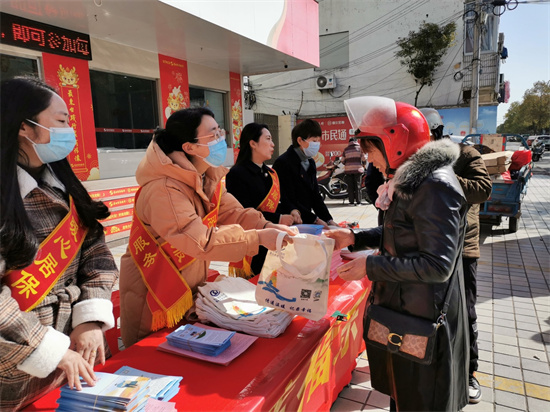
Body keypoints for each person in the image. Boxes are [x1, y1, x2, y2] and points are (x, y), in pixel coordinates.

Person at [326, 96, 469, 411]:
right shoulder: (412, 181)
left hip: (424, 318)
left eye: (370, 150)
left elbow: (437, 265)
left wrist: (372, 265)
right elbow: (400, 233)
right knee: (404, 396)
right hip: (408, 313)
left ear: (396, 141)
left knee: (420, 399)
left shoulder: (435, 187)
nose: (367, 159)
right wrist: (354, 237)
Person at [119, 108, 294, 348]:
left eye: (220, 131)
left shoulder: (204, 178)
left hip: (187, 285)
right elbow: (200, 240)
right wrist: (259, 237)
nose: (222, 139)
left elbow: (233, 213)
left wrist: (266, 225)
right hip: (154, 294)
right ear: (189, 147)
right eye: (213, 135)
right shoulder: (164, 188)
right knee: (153, 362)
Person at [0, 77, 119, 410]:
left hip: (83, 345)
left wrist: (90, 319)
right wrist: (47, 348)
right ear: (25, 127)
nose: (71, 131)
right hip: (19, 360)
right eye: (62, 121)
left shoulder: (62, 184)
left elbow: (96, 255)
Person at [420, 107, 492, 404]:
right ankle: (434, 366)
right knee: (431, 312)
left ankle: (470, 372)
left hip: (462, 250)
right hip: (428, 249)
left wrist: (443, 176)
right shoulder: (417, 160)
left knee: (466, 312)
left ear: (436, 133)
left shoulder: (465, 154)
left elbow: (483, 190)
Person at [226, 123, 296, 278]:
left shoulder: (269, 173)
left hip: (274, 242)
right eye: (268, 139)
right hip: (252, 246)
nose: (273, 144)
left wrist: (291, 211)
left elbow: (277, 202)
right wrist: (278, 218)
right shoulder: (237, 174)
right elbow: (241, 212)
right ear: (253, 143)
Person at [273, 119, 337, 228]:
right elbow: (287, 198)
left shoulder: (310, 162)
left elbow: (315, 196)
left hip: (307, 219)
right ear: (300, 140)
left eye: (318, 140)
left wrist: (328, 219)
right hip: (289, 220)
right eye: (313, 140)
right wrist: (315, 220)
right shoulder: (283, 163)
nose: (317, 144)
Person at [341, 137, 365, 205]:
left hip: (348, 170)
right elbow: (364, 159)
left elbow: (342, 160)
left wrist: (346, 163)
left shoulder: (346, 149)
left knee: (350, 186)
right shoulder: (360, 149)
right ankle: (358, 202)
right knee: (358, 186)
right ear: (356, 141)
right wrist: (363, 164)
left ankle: (351, 202)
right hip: (358, 170)